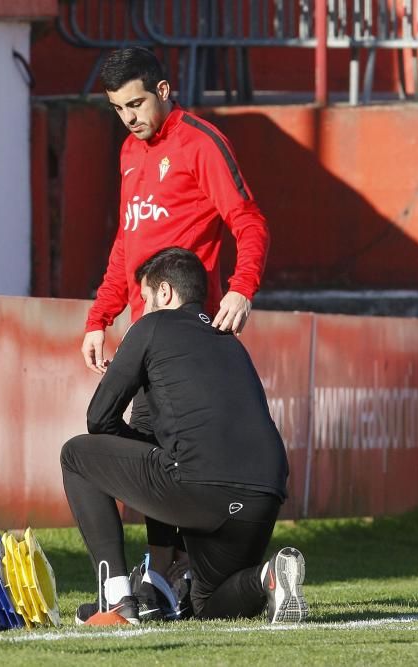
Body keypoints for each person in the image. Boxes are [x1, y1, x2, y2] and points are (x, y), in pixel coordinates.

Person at [78, 46, 273, 587]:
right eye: (119, 109)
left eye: (137, 103)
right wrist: (100, 316)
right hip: (143, 334)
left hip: (186, 337)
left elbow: (248, 220)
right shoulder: (128, 153)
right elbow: (127, 243)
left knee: (142, 446)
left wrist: (241, 289)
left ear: (163, 90)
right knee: (147, 449)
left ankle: (161, 578)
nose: (130, 117)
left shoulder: (201, 142)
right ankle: (169, 577)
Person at [61, 247, 308, 624]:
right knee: (208, 604)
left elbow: (99, 418)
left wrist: (136, 454)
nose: (141, 309)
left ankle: (114, 598)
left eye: (144, 299)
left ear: (165, 293)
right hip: (265, 493)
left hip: (200, 485)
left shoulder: (150, 327)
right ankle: (267, 576)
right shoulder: (230, 340)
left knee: (76, 456)